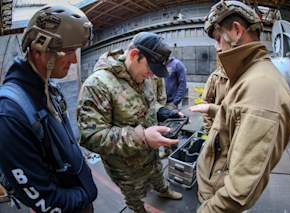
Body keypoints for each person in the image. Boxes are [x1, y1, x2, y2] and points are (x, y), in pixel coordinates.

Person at [189, 1, 290, 212]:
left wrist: (207, 209)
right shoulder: (249, 76)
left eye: (218, 38)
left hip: (216, 200)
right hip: (213, 185)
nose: (217, 47)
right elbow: (236, 116)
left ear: (236, 30)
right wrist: (212, 110)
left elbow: (239, 192)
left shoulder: (262, 87)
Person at [0, 4, 97, 212]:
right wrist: (85, 195)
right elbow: (44, 198)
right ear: (38, 49)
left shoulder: (46, 86)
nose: (73, 59)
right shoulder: (10, 114)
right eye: (68, 51)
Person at [77, 32, 183, 213]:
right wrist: (142, 138)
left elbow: (148, 106)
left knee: (158, 175)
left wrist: (162, 112)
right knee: (133, 195)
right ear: (134, 55)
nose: (151, 75)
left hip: (150, 156)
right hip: (126, 168)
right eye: (150, 68)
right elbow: (91, 136)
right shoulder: (97, 85)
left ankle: (163, 190)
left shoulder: (144, 77)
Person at [201, 55, 228, 133]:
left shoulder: (246, 76)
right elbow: (206, 103)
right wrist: (210, 130)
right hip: (218, 129)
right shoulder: (215, 77)